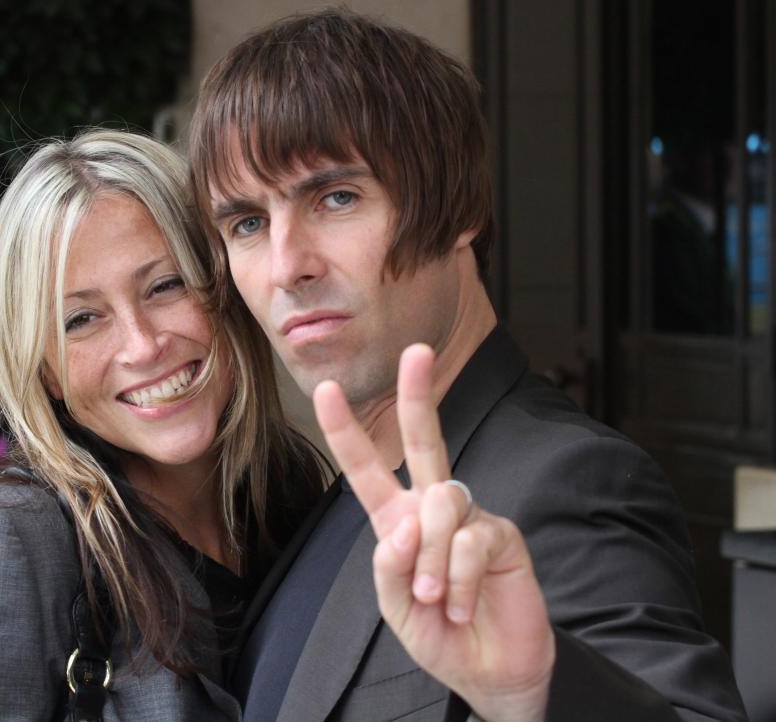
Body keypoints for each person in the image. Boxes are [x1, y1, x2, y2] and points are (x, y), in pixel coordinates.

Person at [187, 9, 748, 722]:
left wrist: (537, 689)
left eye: (336, 198)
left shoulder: (566, 483)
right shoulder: (339, 497)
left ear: (458, 210)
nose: (285, 266)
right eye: (247, 223)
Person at [0, 129, 326, 721]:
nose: (142, 346)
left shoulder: (287, 491)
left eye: (165, 285)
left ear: (224, 288)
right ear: (43, 371)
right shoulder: (0, 543)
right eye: (82, 319)